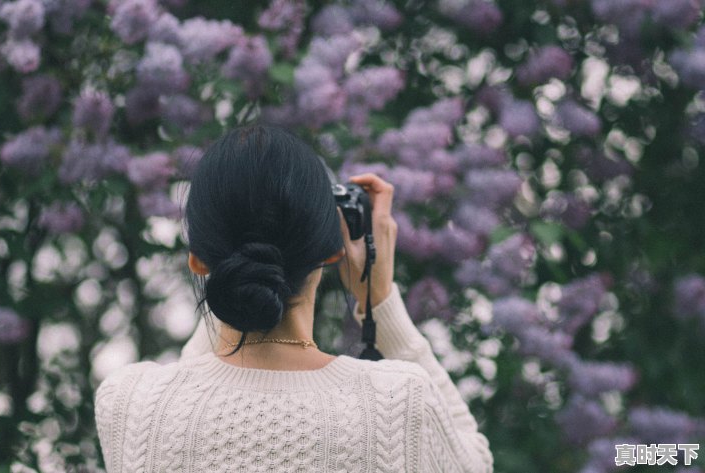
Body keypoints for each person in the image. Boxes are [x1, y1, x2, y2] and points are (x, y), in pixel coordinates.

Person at [94, 125, 494, 472]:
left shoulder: (132, 403)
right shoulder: (398, 402)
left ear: (197, 260)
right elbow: (474, 464)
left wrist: (234, 267)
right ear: (333, 249)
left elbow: (194, 404)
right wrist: (381, 298)